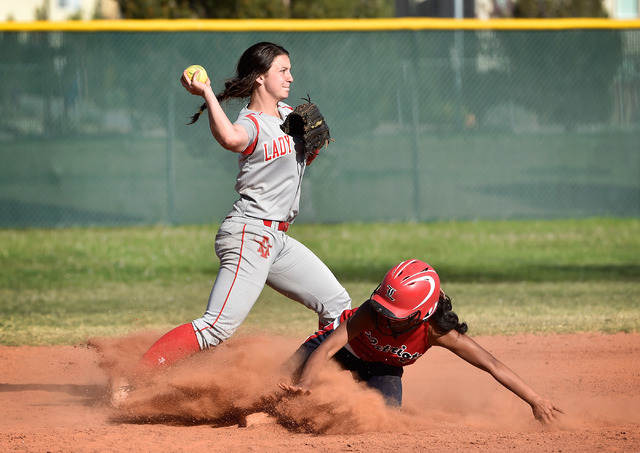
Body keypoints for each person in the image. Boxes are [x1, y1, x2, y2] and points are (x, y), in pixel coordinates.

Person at [110, 42, 351, 405]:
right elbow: (229, 139)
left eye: (289, 70)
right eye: (282, 70)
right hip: (249, 233)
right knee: (216, 326)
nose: (290, 77)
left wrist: (312, 149)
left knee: (337, 306)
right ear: (259, 78)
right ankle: (133, 381)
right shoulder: (250, 124)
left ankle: (300, 383)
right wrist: (208, 93)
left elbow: (292, 169)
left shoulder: (290, 115)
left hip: (278, 239)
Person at [279, 259, 564, 424]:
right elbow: (329, 346)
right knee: (280, 383)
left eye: (396, 315)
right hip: (341, 351)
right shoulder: (370, 312)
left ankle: (300, 417)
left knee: (379, 420)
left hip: (381, 368)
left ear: (422, 315)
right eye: (382, 308)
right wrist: (304, 382)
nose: (384, 317)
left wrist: (535, 400)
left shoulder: (436, 332)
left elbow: (490, 363)